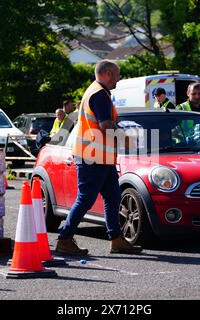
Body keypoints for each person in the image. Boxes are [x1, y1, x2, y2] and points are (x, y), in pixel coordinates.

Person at [55, 60, 143, 256]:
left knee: (113, 198)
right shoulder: (100, 94)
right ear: (108, 74)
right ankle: (64, 239)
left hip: (99, 157)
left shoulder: (94, 91)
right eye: (117, 75)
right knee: (86, 199)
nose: (118, 80)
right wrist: (125, 138)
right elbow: (105, 125)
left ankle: (116, 239)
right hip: (93, 157)